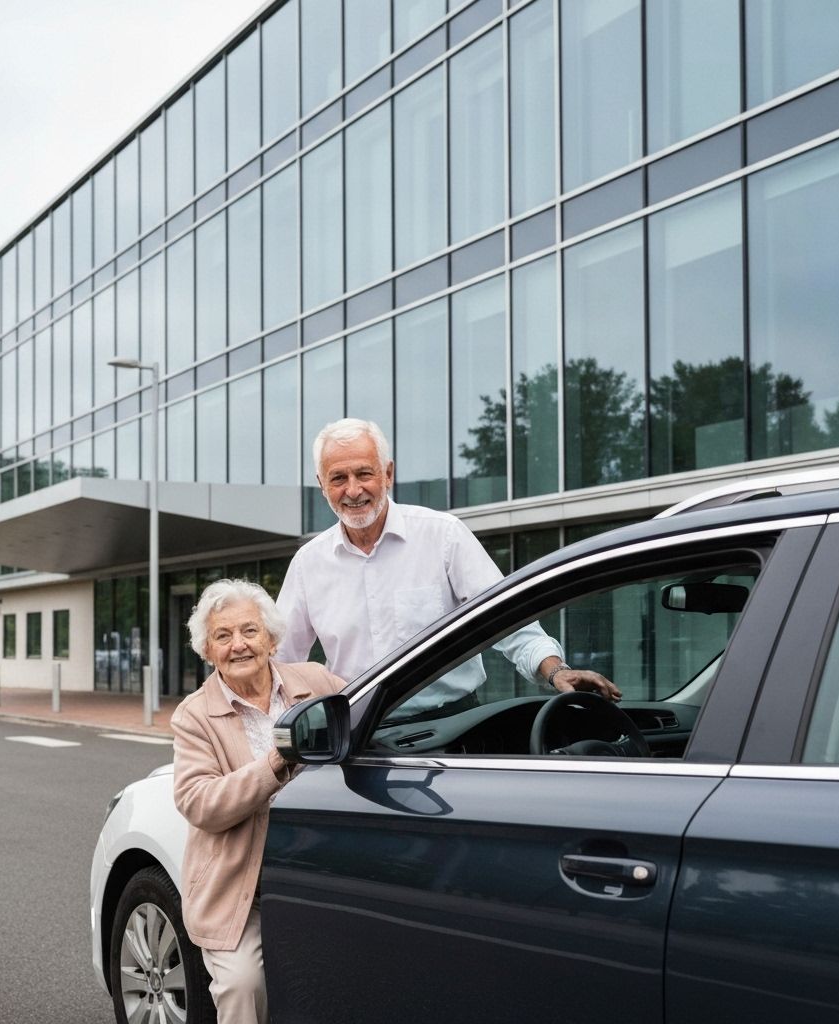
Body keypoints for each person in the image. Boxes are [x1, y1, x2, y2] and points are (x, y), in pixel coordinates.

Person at [274, 418, 619, 712]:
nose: (353, 490)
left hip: (451, 726)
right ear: (322, 486)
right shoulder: (309, 564)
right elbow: (281, 662)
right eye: (338, 478)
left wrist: (554, 670)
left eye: (364, 473)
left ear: (388, 474)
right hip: (356, 735)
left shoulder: (443, 535)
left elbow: (505, 618)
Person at [171, 578, 344, 1024]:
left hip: (319, 875)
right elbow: (198, 801)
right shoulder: (194, 715)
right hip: (240, 891)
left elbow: (369, 727)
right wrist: (273, 765)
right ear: (208, 651)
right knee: (242, 986)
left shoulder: (318, 682)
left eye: (249, 631)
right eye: (222, 636)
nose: (238, 645)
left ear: (271, 638)